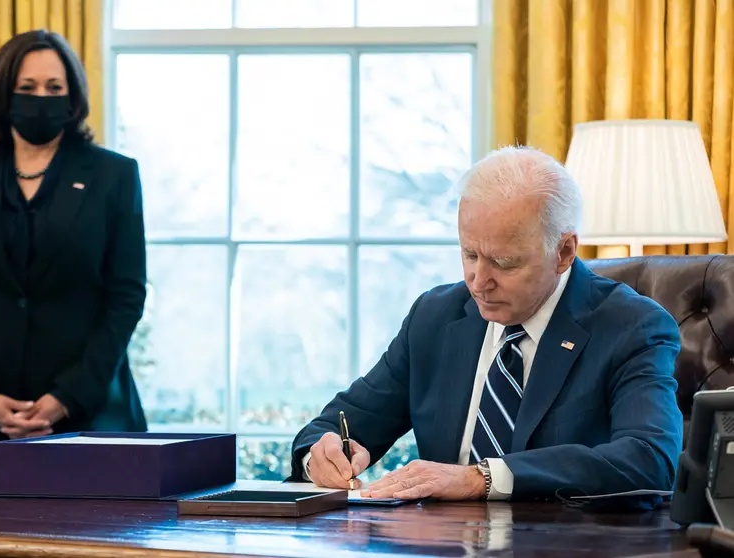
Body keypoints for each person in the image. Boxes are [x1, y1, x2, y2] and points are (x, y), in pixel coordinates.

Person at [290, 146, 683, 507]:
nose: (479, 280)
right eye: (470, 254)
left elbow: (649, 460)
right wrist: (318, 457)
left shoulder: (632, 326)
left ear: (563, 252)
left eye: (504, 262)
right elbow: (335, 423)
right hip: (439, 546)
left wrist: (484, 478)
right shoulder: (436, 317)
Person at [0, 30, 148, 474]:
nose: (40, 97)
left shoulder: (113, 175)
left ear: (73, 96)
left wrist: (66, 397)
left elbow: (126, 297)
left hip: (90, 418)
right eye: (26, 88)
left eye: (54, 88)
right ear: (4, 95)